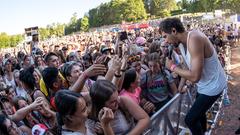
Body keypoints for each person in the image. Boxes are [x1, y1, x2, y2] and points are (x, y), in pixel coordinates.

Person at [160, 18, 227, 135]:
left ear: (174, 31)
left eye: (165, 36)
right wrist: (180, 86)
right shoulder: (181, 44)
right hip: (204, 86)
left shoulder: (194, 38)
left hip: (214, 86)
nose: (165, 41)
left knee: (190, 120)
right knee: (199, 115)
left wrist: (172, 67)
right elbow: (187, 67)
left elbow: (195, 76)